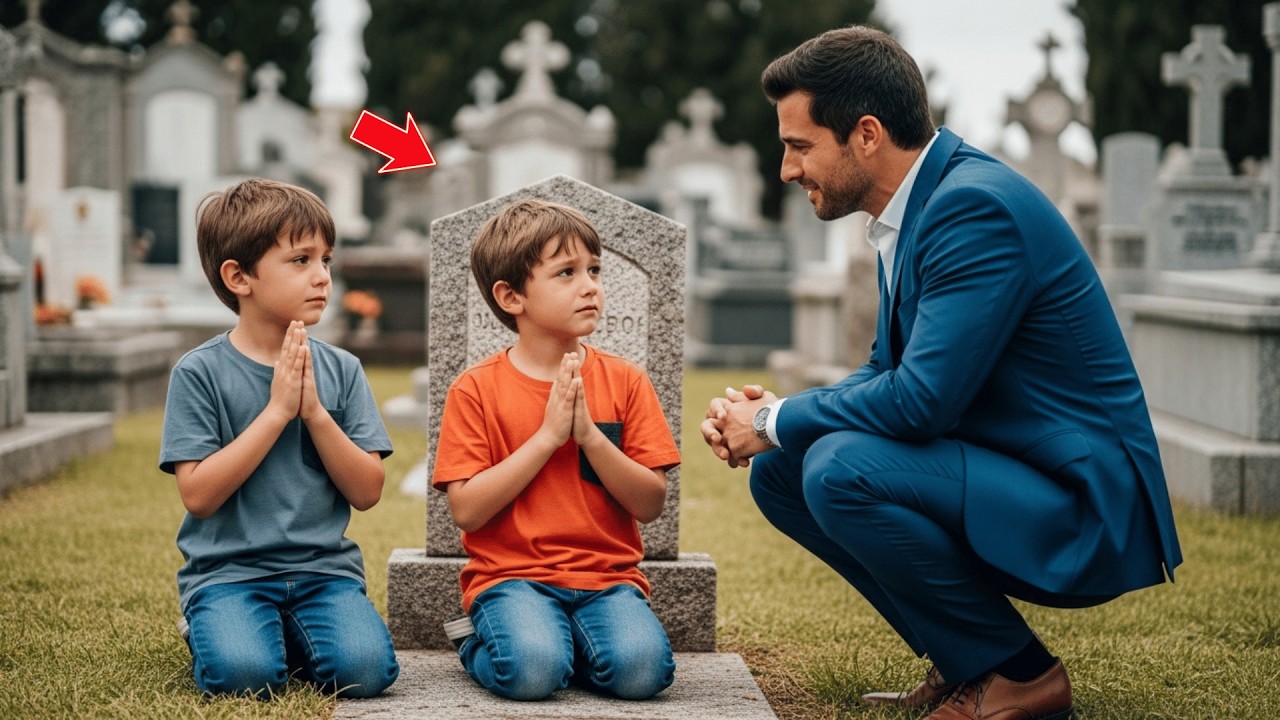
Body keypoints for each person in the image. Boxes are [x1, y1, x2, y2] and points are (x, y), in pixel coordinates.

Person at [701, 26, 1181, 720]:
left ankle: (1020, 674)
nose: (787, 169)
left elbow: (921, 401)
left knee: (837, 468)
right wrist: (778, 421)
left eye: (800, 145)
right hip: (1015, 472)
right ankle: (966, 663)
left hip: (1082, 503)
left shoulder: (971, 206)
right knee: (783, 468)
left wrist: (775, 419)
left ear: (867, 134)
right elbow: (885, 369)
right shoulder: (916, 207)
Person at [159, 178, 399, 699]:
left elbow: (367, 491)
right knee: (244, 678)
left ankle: (285, 632)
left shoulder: (343, 369)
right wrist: (276, 412)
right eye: (300, 260)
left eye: (326, 260)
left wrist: (314, 413)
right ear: (239, 276)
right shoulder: (199, 373)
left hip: (322, 573)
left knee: (366, 672)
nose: (322, 276)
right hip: (229, 576)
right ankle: (215, 626)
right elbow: (198, 496)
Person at [433, 199, 679, 701]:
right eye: (566, 272)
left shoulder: (627, 381)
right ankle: (477, 642)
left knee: (642, 674)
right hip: (512, 579)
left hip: (606, 579)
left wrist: (589, 437)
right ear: (511, 296)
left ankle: (571, 646)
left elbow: (650, 503)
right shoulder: (475, 389)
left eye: (594, 270)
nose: (590, 286)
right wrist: (547, 438)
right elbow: (467, 511)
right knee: (532, 673)